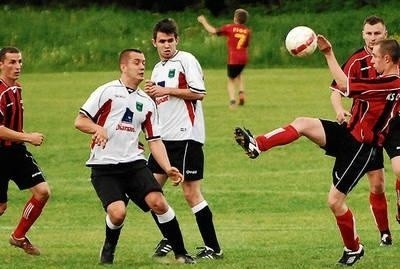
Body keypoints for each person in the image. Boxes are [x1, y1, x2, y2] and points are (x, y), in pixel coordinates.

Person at [234, 37, 400, 266]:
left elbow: (344, 85)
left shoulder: (392, 82)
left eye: (375, 57)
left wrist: (328, 53)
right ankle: (257, 144)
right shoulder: (385, 79)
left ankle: (354, 249)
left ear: (388, 59)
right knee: (303, 123)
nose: (371, 61)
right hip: (347, 133)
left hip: (361, 148)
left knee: (334, 201)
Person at [74, 48, 195, 265]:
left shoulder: (147, 102)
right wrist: (97, 129)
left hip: (134, 164)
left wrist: (167, 168)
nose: (142, 67)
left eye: (143, 62)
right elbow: (80, 120)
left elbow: (154, 140)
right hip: (104, 166)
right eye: (136, 62)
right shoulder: (107, 91)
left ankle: (181, 253)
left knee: (158, 202)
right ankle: (108, 249)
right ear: (123, 66)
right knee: (118, 213)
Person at [144, 18, 223, 260]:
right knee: (148, 193)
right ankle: (170, 237)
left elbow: (199, 93)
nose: (166, 45)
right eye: (162, 41)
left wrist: (166, 90)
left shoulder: (186, 60)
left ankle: (213, 248)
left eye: (170, 40)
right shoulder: (157, 69)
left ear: (177, 40)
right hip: (162, 141)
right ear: (154, 43)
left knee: (191, 193)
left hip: (186, 137)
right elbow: (157, 107)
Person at [331, 15, 399, 245]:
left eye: (377, 33)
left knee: (398, 170)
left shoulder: (394, 61)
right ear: (363, 34)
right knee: (377, 183)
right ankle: (385, 232)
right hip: (368, 127)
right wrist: (339, 109)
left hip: (395, 123)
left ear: (385, 34)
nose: (372, 38)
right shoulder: (355, 60)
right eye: (369, 33)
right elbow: (337, 89)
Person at [0, 46, 50, 256]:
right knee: (0, 207)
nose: (17, 66)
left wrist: (22, 137)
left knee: (42, 192)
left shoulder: (16, 88)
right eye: (12, 62)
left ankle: (18, 236)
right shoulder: (0, 91)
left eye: (19, 61)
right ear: (1, 64)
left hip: (17, 153)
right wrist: (27, 137)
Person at [197, 9, 251, 109]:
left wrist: (203, 21)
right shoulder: (247, 31)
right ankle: (241, 92)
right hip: (243, 57)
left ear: (235, 18)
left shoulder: (230, 28)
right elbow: (246, 45)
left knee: (231, 80)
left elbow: (213, 31)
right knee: (239, 74)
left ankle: (232, 101)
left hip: (233, 58)